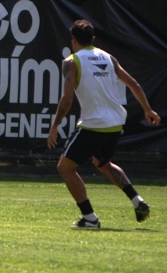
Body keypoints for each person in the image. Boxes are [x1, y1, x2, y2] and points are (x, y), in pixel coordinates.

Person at [47, 19, 161, 228]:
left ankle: (90, 218)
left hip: (93, 124)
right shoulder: (108, 58)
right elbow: (133, 84)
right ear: (92, 39)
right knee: (102, 164)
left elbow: (66, 99)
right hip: (115, 123)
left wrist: (54, 126)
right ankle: (137, 200)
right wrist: (147, 109)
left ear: (73, 40)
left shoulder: (71, 61)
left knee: (65, 167)